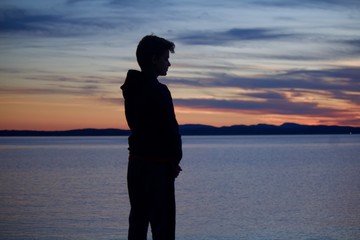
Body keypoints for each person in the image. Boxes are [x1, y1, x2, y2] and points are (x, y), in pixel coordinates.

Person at [121, 35, 182, 240]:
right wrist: (174, 160)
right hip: (158, 167)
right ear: (154, 59)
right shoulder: (160, 91)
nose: (169, 63)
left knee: (137, 223)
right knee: (163, 226)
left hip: (136, 165)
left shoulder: (132, 88)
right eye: (165, 58)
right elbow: (170, 130)